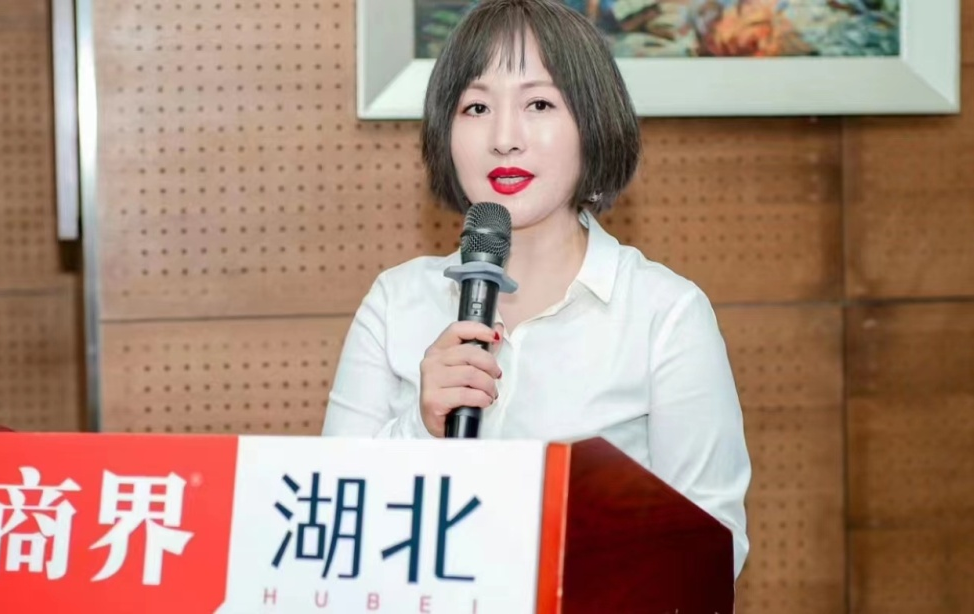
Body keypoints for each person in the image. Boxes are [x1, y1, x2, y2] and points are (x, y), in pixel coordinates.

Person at [321, 0, 750, 579]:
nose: (504, 139)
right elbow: (329, 529)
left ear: (593, 122)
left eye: (539, 104)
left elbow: (710, 551)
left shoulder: (664, 314)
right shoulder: (396, 302)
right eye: (476, 107)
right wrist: (421, 427)